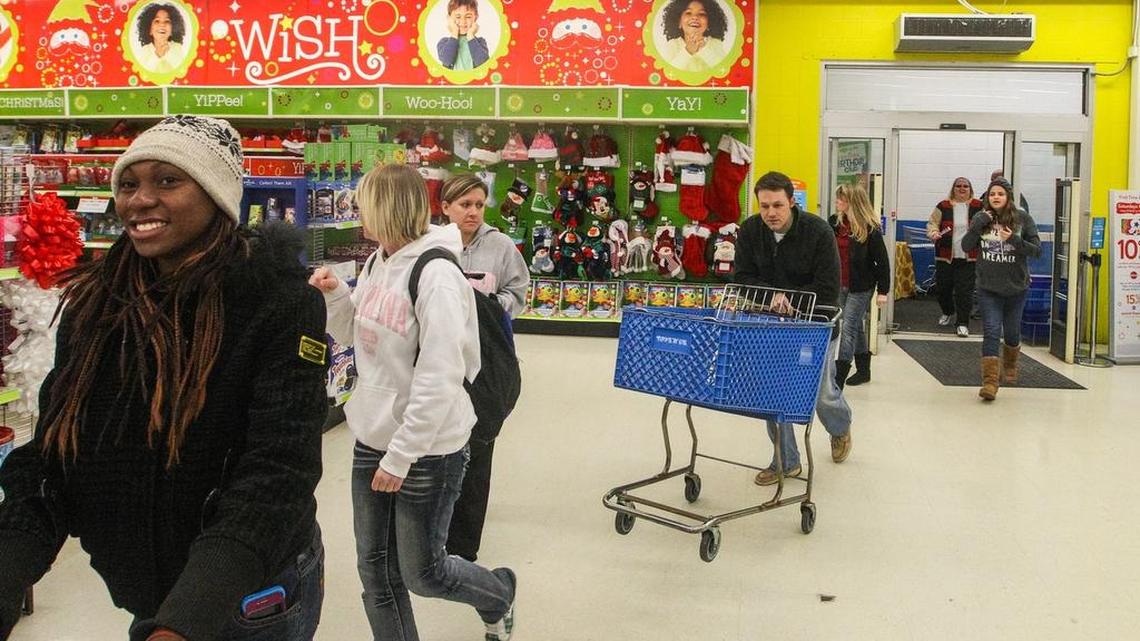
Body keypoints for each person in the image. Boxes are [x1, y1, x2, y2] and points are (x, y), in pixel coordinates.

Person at [0, 115, 328, 641]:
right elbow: (54, 460)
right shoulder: (96, 308)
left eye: (167, 180)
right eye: (128, 184)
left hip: (248, 594)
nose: (139, 199)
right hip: (149, 594)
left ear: (217, 195)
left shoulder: (280, 304)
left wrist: (183, 622)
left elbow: (277, 475)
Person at [308, 165, 516, 641]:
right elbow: (360, 339)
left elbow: (440, 376)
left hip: (428, 449)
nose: (355, 210)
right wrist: (338, 295)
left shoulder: (437, 274)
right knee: (375, 573)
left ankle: (499, 593)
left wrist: (402, 455)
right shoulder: (378, 260)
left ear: (387, 207)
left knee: (425, 572)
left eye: (363, 202)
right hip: (371, 436)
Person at [735, 171, 853, 486]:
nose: (770, 213)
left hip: (816, 324)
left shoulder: (818, 232)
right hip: (769, 325)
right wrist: (771, 296)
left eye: (777, 205)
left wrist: (794, 303)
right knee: (772, 392)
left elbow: (829, 288)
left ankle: (840, 427)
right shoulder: (749, 232)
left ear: (791, 202)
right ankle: (786, 461)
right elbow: (742, 278)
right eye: (764, 206)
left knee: (820, 394)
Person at [438, 173, 527, 563]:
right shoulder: (433, 245)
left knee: (480, 445)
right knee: (442, 445)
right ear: (445, 208)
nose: (473, 212)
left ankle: (463, 546)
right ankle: (434, 529)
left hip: (488, 359)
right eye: (464, 205)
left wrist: (488, 307)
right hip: (443, 358)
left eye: (478, 204)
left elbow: (519, 292)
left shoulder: (502, 245)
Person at [961, 177, 1041, 401]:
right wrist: (977, 226)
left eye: (1000, 194)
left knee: (1012, 333)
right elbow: (966, 246)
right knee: (992, 331)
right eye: (992, 194)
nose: (996, 197)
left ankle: (1011, 361)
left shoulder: (1023, 219)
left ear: (1008, 198)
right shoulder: (981, 218)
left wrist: (1014, 240)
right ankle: (990, 383)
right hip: (988, 288)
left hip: (1016, 288)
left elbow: (1037, 250)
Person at [830, 183, 890, 388]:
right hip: (840, 283)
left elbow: (882, 261)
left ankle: (839, 375)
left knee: (848, 327)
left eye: (841, 198)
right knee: (856, 327)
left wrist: (883, 291)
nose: (837, 202)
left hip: (861, 285)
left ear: (852, 202)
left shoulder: (870, 229)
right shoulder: (834, 223)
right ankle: (864, 370)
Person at [926, 177, 984, 337]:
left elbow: (987, 225)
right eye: (958, 186)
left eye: (965, 186)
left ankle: (963, 323)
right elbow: (932, 223)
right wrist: (933, 233)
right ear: (953, 188)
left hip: (969, 257)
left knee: (964, 292)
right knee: (942, 289)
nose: (962, 188)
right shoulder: (943, 206)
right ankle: (948, 311)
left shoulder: (979, 206)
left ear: (970, 189)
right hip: (945, 256)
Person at [660, 0, 729, 73]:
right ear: (679, 22)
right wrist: (688, 51)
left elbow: (723, 70)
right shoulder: (672, 45)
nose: (695, 17)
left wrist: (703, 49)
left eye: (701, 14)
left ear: (709, 23)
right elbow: (668, 72)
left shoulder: (715, 43)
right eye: (688, 13)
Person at [436, 0, 489, 71]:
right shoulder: (444, 42)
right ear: (449, 18)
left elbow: (483, 63)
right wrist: (454, 33)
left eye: (468, 17)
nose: (463, 21)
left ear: (475, 17)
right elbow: (447, 60)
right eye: (458, 17)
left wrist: (470, 35)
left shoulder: (480, 42)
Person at [137, 3, 187, 74]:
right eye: (157, 21)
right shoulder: (145, 50)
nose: (162, 24)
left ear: (172, 30)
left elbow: (182, 70)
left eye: (167, 21)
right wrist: (157, 55)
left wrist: (168, 52)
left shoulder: (177, 47)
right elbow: (143, 73)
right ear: (149, 30)